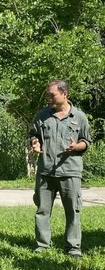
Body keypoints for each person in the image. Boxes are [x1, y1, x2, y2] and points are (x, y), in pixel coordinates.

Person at [29, 79, 91, 258]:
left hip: (70, 171)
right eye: (48, 95)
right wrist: (35, 142)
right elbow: (33, 134)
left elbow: (86, 142)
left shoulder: (79, 117)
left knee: (72, 211)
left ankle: (73, 247)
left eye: (52, 95)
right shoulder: (42, 115)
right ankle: (42, 245)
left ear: (64, 94)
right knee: (42, 210)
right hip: (46, 171)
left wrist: (76, 147)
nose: (48, 98)